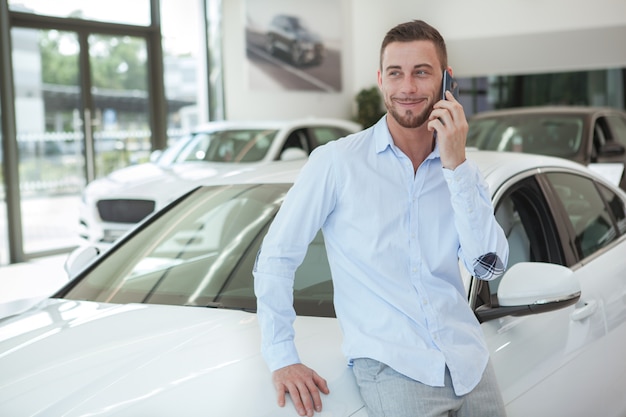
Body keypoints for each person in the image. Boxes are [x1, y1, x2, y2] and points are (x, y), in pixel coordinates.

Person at [254, 19, 509, 417]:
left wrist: (456, 166)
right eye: (396, 73)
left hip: (469, 365)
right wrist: (282, 356)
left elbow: (487, 266)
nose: (407, 87)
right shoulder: (337, 163)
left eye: (421, 73)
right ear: (381, 79)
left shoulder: (462, 171)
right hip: (395, 369)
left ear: (446, 81)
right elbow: (276, 257)